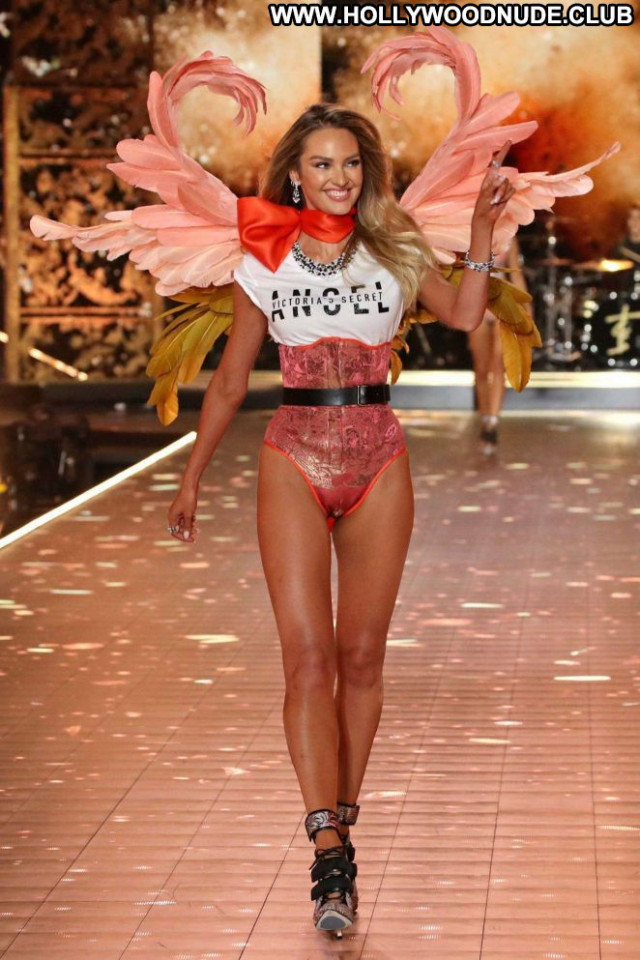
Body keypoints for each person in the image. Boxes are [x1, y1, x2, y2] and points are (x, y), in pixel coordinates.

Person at [166, 103, 514, 934]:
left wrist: (478, 232)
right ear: (296, 173)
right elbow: (230, 380)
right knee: (308, 662)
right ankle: (326, 849)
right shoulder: (264, 250)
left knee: (361, 659)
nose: (339, 177)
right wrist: (192, 477)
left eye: (351, 163)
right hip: (293, 452)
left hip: (378, 457)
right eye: (322, 164)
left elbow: (465, 316)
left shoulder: (393, 246)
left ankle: (342, 833)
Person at [467, 237, 533, 453]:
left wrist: (526, 307)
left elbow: (516, 273)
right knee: (481, 368)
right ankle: (486, 418)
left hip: (501, 301)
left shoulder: (510, 237)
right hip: (476, 302)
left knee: (498, 364)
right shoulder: (468, 232)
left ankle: (493, 424)